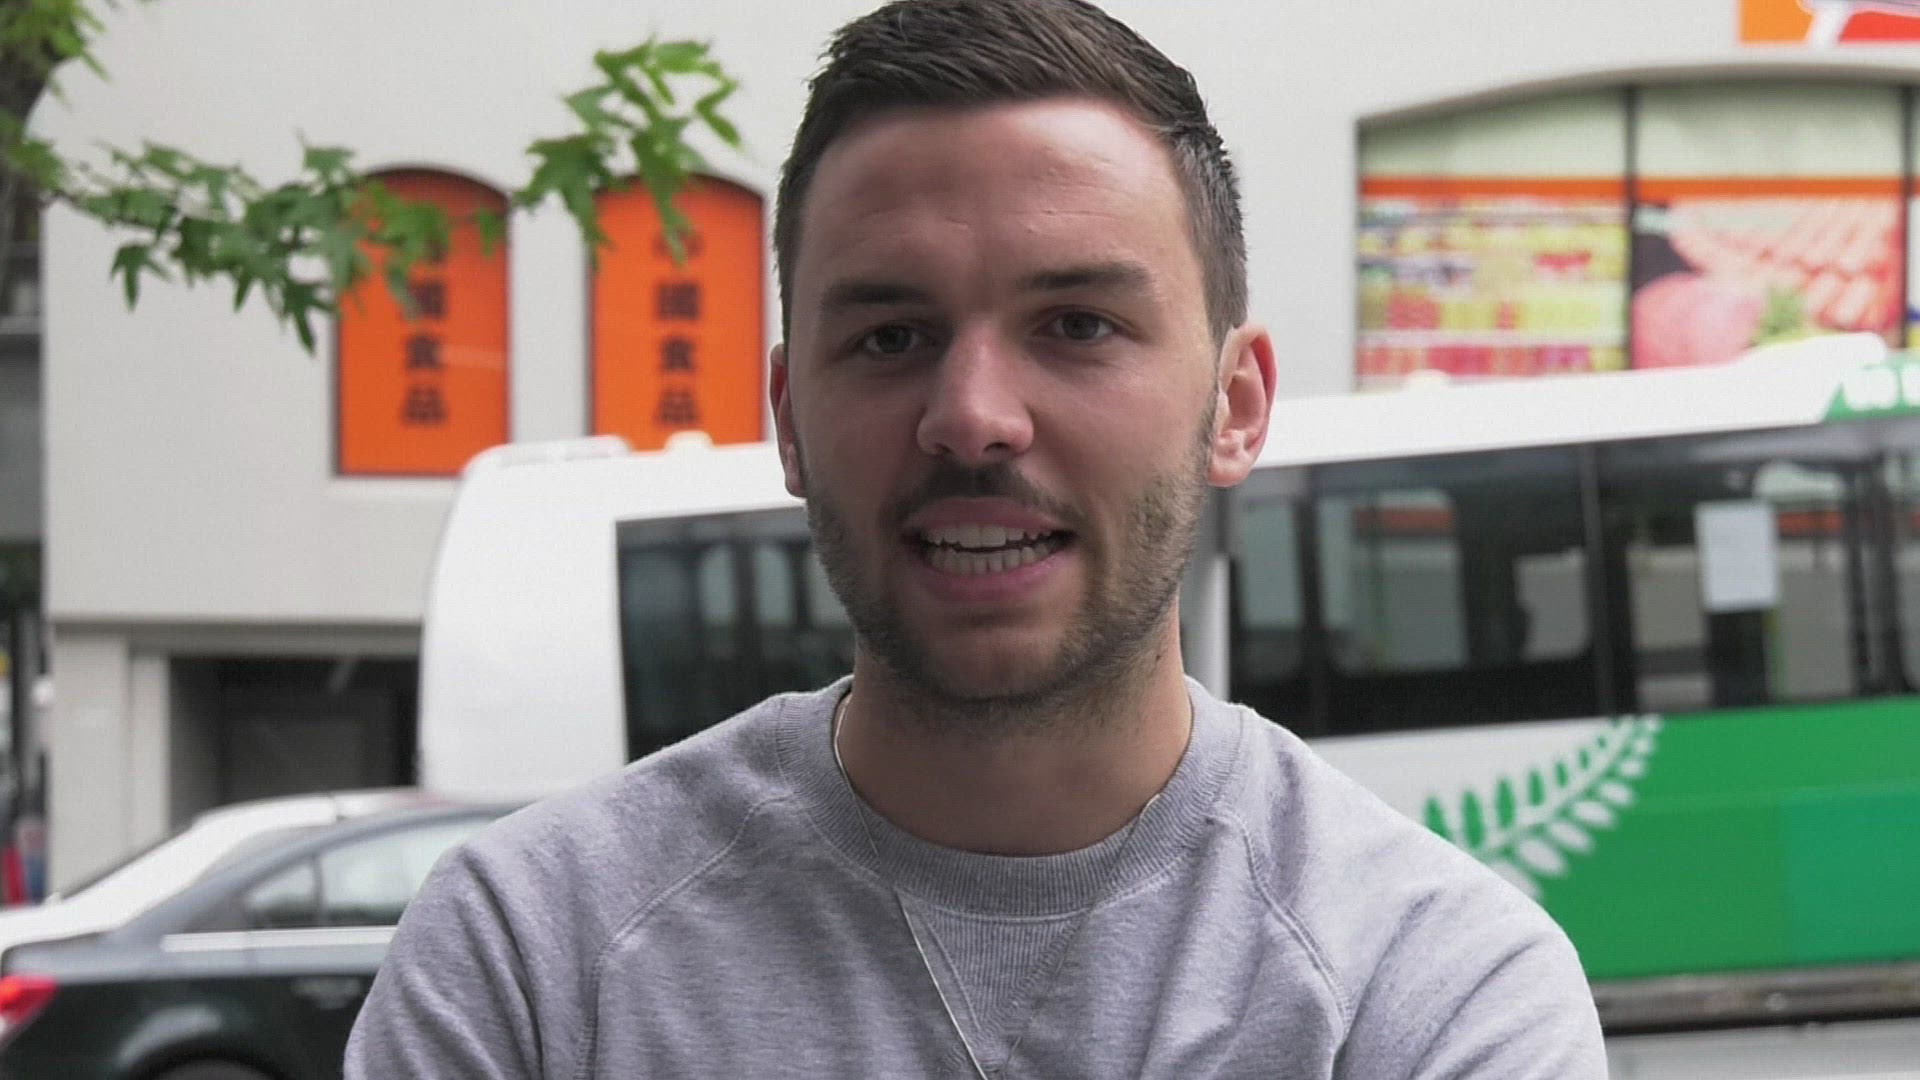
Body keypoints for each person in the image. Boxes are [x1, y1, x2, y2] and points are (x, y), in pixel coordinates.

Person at [346, 1, 1608, 1075]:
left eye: (1077, 326)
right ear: (789, 421)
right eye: (891, 338)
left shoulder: (1431, 984)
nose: (972, 418)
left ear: (1234, 405)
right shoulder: (532, 958)